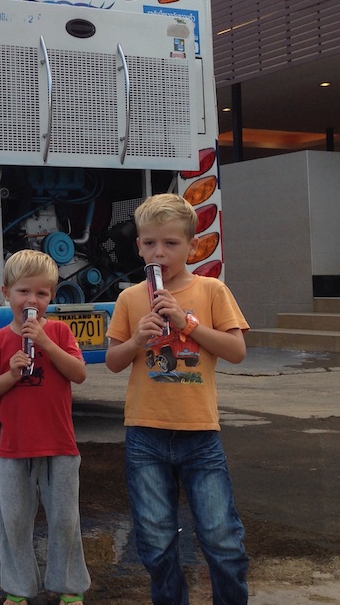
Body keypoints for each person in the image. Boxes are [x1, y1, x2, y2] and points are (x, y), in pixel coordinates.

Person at [105, 193, 250, 605]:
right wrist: (137, 338)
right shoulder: (130, 298)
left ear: (192, 246)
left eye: (170, 243)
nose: (159, 252)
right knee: (155, 541)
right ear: (138, 246)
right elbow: (113, 361)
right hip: (145, 435)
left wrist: (186, 323)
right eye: (150, 243)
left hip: (200, 434)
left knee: (222, 541)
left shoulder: (211, 290)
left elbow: (236, 351)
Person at [0, 249, 91, 605]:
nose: (32, 300)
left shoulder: (58, 331)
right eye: (24, 291)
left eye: (41, 294)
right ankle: (19, 588)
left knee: (65, 521)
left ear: (51, 297)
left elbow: (79, 373)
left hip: (60, 445)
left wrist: (46, 343)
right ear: (6, 292)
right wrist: (10, 373)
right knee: (14, 523)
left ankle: (69, 586)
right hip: (14, 447)